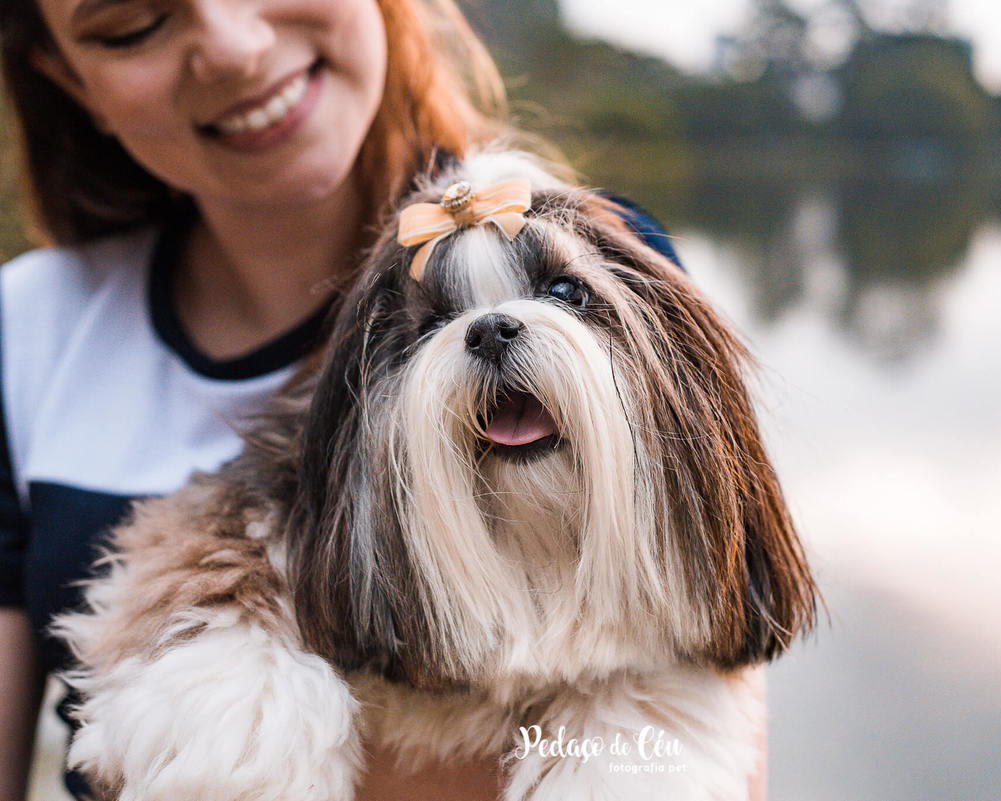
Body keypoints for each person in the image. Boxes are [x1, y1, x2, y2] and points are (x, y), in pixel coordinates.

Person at [0, 1, 768, 799]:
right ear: (66, 74)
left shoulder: (617, 253)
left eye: (565, 296)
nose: (233, 47)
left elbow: (715, 637)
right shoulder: (25, 332)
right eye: (132, 23)